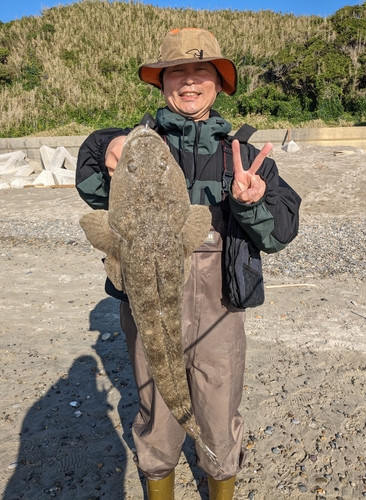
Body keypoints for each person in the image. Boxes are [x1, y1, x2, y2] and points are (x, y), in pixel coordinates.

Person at [76, 27, 301, 500]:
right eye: (177, 72)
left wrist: (251, 202)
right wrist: (105, 148)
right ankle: (162, 475)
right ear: (161, 84)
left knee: (219, 408)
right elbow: (90, 185)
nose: (189, 81)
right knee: (158, 410)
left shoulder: (242, 155)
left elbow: (279, 234)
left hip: (219, 302)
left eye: (202, 71)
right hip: (148, 300)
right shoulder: (135, 145)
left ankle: (217, 472)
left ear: (219, 83)